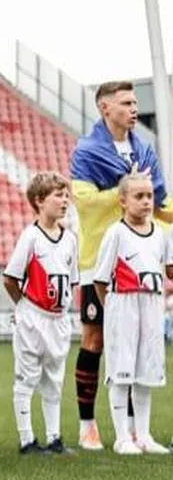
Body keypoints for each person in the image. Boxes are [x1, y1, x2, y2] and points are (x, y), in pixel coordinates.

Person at [70, 81, 173, 450]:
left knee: (137, 342)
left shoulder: (143, 149)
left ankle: (133, 430)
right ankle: (87, 424)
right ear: (105, 108)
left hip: (141, 257)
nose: (134, 109)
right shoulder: (88, 150)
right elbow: (83, 200)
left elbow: (159, 199)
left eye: (134, 102)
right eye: (126, 103)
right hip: (99, 257)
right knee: (95, 339)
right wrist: (124, 190)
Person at [2, 172, 77, 455]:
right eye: (58, 195)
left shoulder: (69, 239)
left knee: (54, 380)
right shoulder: (31, 236)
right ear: (39, 201)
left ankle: (54, 437)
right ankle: (26, 439)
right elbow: (10, 278)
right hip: (33, 317)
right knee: (26, 376)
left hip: (58, 319)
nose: (64, 200)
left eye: (66, 195)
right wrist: (23, 306)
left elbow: (71, 280)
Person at [93, 172, 168, 455]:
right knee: (121, 370)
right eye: (139, 196)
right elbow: (100, 279)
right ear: (123, 201)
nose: (146, 201)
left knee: (146, 372)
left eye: (149, 196)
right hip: (122, 304)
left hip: (151, 306)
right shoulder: (116, 233)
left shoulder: (159, 234)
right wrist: (112, 309)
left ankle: (144, 435)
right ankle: (122, 437)